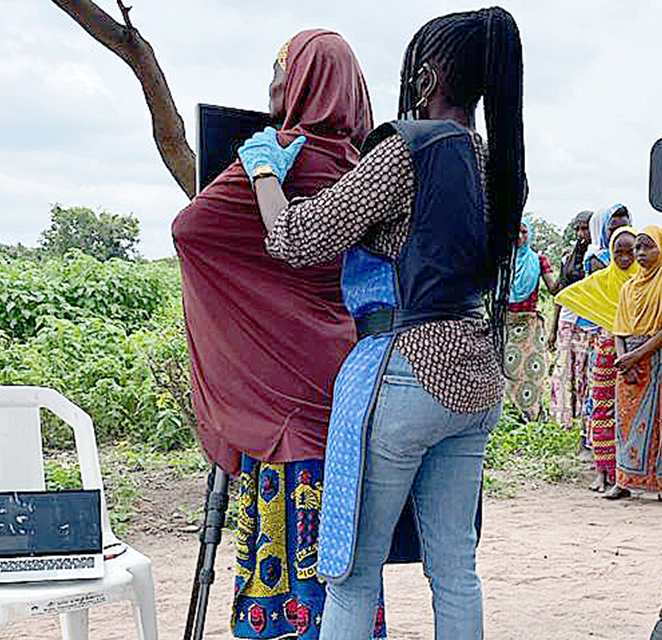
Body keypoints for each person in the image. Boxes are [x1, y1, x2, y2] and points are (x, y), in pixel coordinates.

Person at [237, 8, 525, 638]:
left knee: (350, 573)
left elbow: (295, 236)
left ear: (427, 76)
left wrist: (263, 169)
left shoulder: (408, 149)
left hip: (405, 369)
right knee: (455, 568)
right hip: (475, 377)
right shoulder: (496, 162)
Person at [170, 30, 384, 640]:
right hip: (350, 378)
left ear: (302, 84)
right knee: (344, 550)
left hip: (281, 394)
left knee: (284, 544)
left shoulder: (279, 158)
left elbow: (192, 233)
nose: (270, 90)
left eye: (279, 75)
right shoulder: (372, 167)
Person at [604, 225, 662, 502]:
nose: (640, 253)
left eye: (647, 246)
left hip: (653, 361)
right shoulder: (628, 288)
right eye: (637, 248)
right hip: (627, 363)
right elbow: (619, 328)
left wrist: (636, 356)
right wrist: (623, 359)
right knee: (624, 423)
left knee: (659, 422)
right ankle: (624, 481)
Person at [555, 226, 638, 492]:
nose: (624, 259)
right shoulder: (602, 280)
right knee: (602, 411)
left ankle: (628, 476)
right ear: (610, 253)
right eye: (618, 253)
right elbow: (567, 295)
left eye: (631, 252)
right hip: (606, 352)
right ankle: (603, 472)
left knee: (632, 414)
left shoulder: (644, 281)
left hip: (639, 352)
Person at [505, 218, 558, 419]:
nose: (519, 237)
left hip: (529, 324)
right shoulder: (501, 259)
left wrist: (568, 269)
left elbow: (554, 288)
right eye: (515, 232)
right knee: (508, 367)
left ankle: (533, 413)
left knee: (532, 370)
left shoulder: (538, 260)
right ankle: (513, 412)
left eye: (524, 232)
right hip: (505, 323)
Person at [549, 210, 593, 429]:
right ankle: (564, 418)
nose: (580, 233)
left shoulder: (597, 258)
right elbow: (559, 292)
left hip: (589, 322)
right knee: (563, 369)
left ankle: (583, 417)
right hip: (567, 320)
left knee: (583, 371)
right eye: (578, 228)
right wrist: (553, 328)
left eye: (585, 228)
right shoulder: (569, 258)